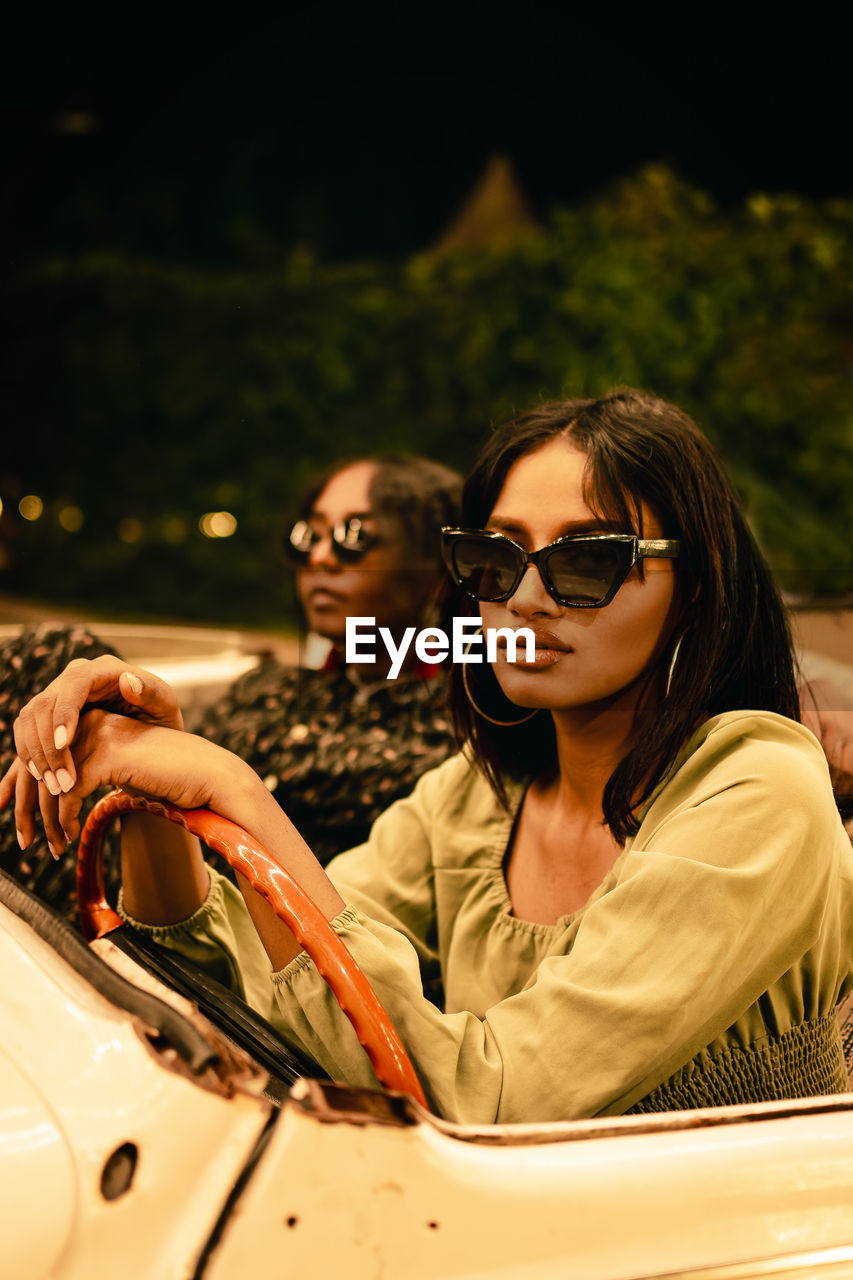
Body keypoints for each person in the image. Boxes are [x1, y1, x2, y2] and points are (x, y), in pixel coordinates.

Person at [6, 388, 853, 1125]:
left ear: (696, 584)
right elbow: (245, 990)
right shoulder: (477, 797)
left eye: (587, 562)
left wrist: (229, 785)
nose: (523, 599)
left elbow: (492, 1104)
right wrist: (156, 787)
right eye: (495, 558)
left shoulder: (755, 791)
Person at [0, 453, 462, 913]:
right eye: (309, 535)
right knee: (60, 663)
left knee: (62, 656)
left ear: (436, 569)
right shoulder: (270, 683)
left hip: (208, 928)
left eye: (354, 536)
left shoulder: (451, 737)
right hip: (125, 851)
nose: (320, 556)